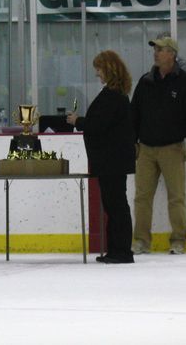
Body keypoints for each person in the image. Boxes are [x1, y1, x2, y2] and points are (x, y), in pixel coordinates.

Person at [130, 34, 186, 255]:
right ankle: (141, 240)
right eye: (155, 49)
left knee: (176, 196)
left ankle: (178, 239)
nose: (156, 52)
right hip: (145, 149)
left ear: (172, 54)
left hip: (173, 148)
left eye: (161, 49)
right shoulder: (145, 81)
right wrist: (133, 142)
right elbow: (133, 114)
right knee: (142, 197)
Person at [67, 50, 136, 264]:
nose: (98, 74)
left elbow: (99, 125)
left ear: (108, 69)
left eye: (99, 70)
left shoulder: (113, 96)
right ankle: (117, 249)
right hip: (112, 159)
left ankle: (121, 250)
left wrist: (78, 121)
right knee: (114, 204)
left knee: (116, 205)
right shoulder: (116, 94)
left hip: (111, 159)